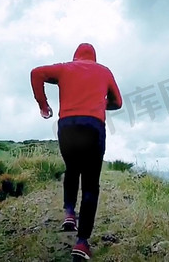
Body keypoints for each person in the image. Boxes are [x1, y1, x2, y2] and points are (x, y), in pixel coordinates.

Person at [30, 43, 122, 260]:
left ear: (76, 56)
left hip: (67, 126)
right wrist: (100, 103)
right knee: (91, 185)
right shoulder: (104, 71)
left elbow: (36, 73)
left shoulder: (65, 68)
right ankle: (82, 243)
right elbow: (117, 102)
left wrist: (43, 105)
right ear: (94, 57)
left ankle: (69, 213)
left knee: (72, 168)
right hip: (93, 126)